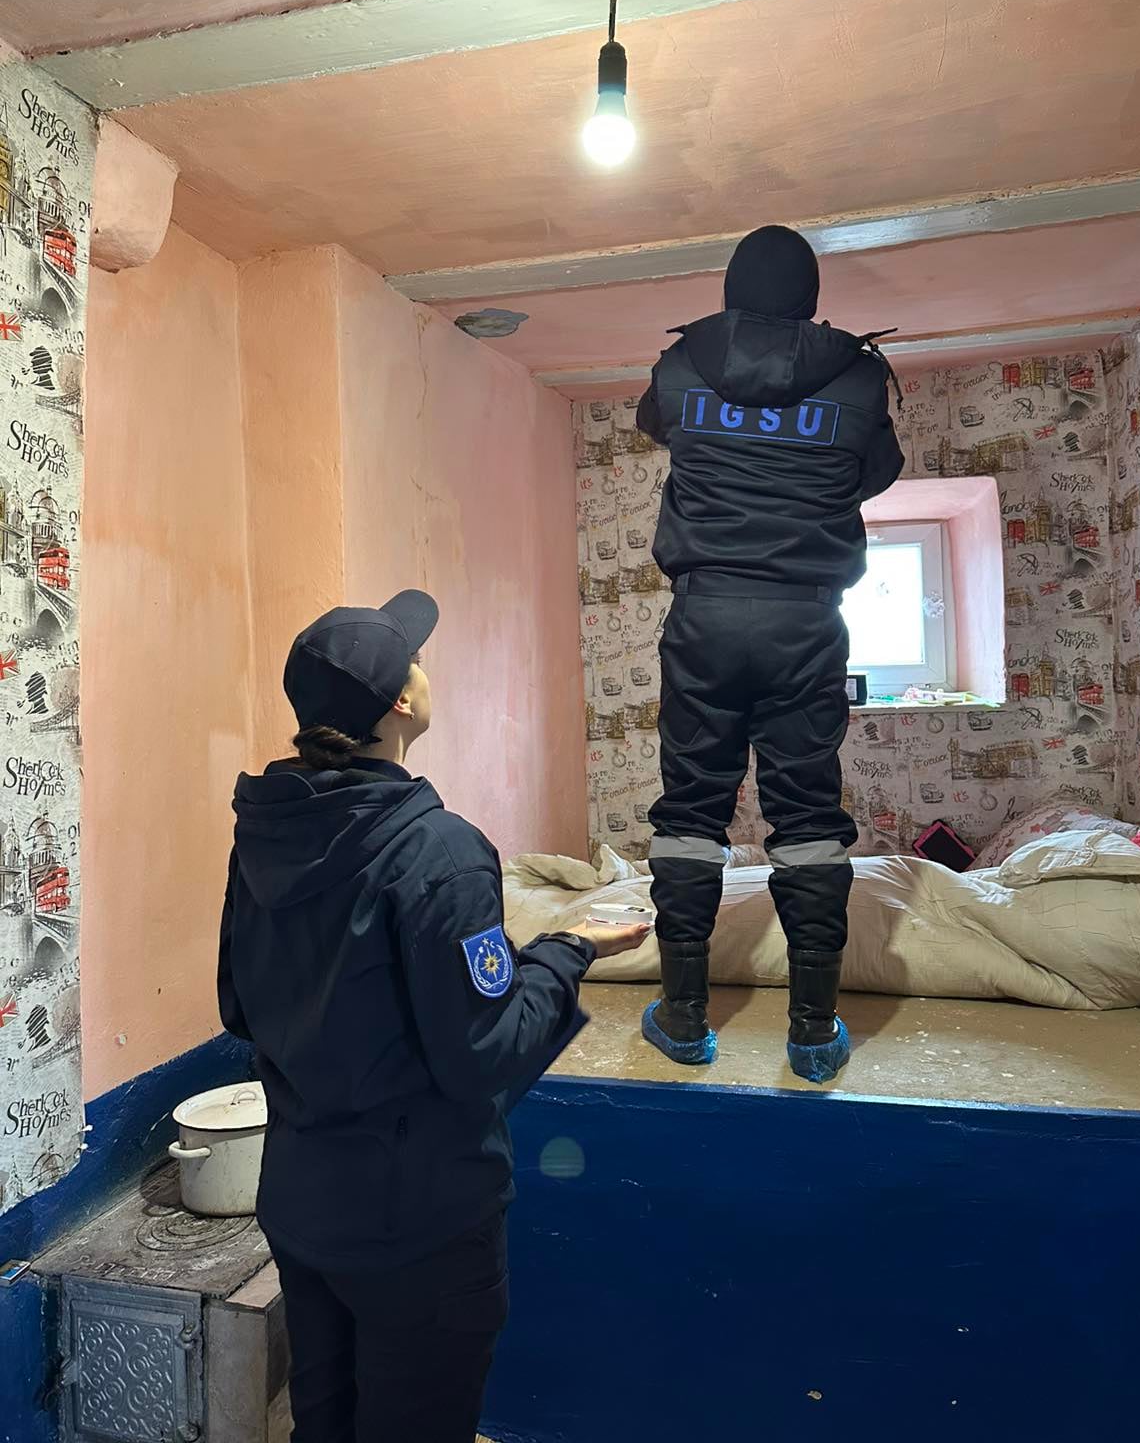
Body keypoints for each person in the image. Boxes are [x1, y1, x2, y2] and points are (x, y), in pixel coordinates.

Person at [217, 590, 647, 1443]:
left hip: (302, 1205)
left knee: (323, 1422)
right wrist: (568, 951)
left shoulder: (264, 834)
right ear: (402, 704)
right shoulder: (438, 851)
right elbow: (484, 1052)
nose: (425, 665)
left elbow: (238, 1006)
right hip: (417, 1227)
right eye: (416, 658)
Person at [635, 225, 905, 1082]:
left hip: (706, 617)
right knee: (808, 814)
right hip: (805, 621)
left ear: (729, 292)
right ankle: (813, 1032)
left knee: (690, 808)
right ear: (812, 298)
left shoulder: (683, 366)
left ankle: (683, 1020)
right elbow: (875, 472)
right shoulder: (857, 377)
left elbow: (655, 425)